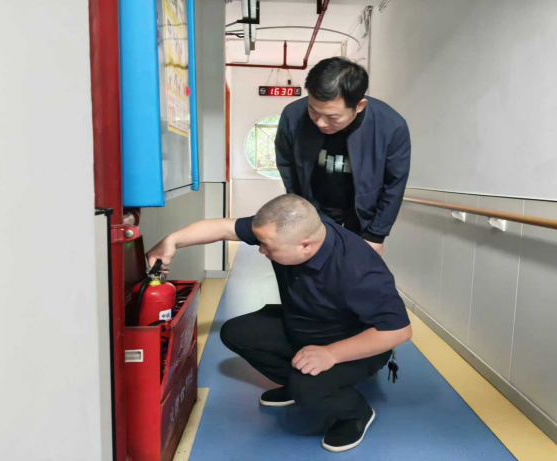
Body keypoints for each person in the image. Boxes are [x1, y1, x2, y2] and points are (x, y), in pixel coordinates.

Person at [147, 194, 412, 453]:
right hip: (304, 324)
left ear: (305, 246)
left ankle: (355, 414)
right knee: (236, 333)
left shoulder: (358, 268)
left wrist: (331, 354)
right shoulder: (286, 229)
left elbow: (399, 331)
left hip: (354, 344)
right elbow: (223, 228)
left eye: (268, 247)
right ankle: (297, 383)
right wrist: (171, 240)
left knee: (308, 388)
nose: (261, 250)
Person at [275, 57, 411, 256]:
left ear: (359, 105)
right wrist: (302, 210)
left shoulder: (391, 126)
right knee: (310, 266)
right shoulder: (293, 115)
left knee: (356, 269)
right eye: (313, 111)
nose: (320, 123)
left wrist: (376, 235)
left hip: (362, 216)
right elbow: (287, 164)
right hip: (314, 209)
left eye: (332, 117)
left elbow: (394, 184)